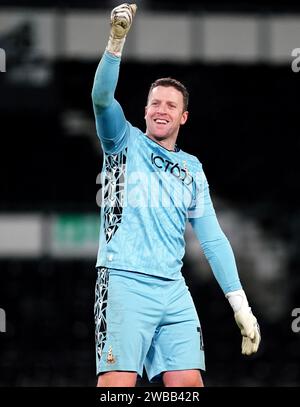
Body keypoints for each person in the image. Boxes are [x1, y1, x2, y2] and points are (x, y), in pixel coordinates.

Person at [92, 3, 261, 387]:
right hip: (124, 283)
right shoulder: (122, 141)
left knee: (188, 389)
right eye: (155, 103)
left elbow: (213, 239)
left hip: (173, 290)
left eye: (171, 105)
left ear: (183, 116)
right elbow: (102, 99)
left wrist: (240, 305)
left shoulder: (193, 169)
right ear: (145, 110)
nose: (161, 110)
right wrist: (115, 43)